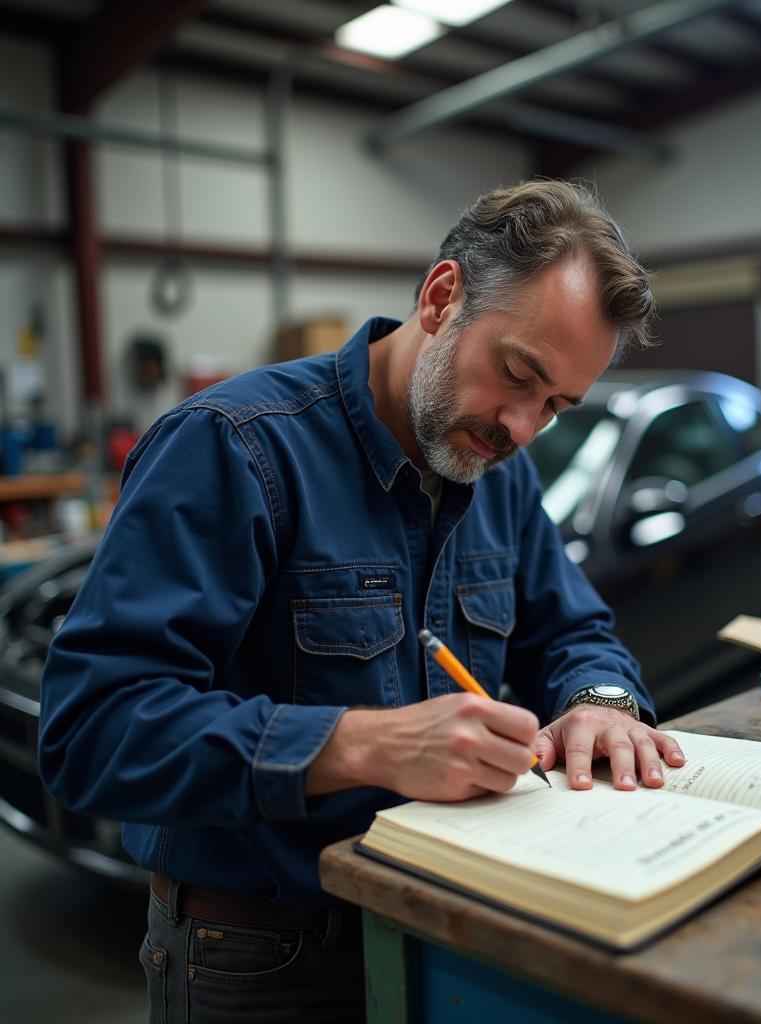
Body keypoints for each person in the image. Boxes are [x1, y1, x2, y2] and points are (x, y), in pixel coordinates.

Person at [38, 179, 685, 1023]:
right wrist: (357, 745)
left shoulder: (500, 471)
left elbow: (574, 629)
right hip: (265, 962)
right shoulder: (234, 447)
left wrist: (600, 700)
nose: (523, 427)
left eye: (556, 406)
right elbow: (93, 727)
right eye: (517, 374)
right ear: (441, 297)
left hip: (452, 937)